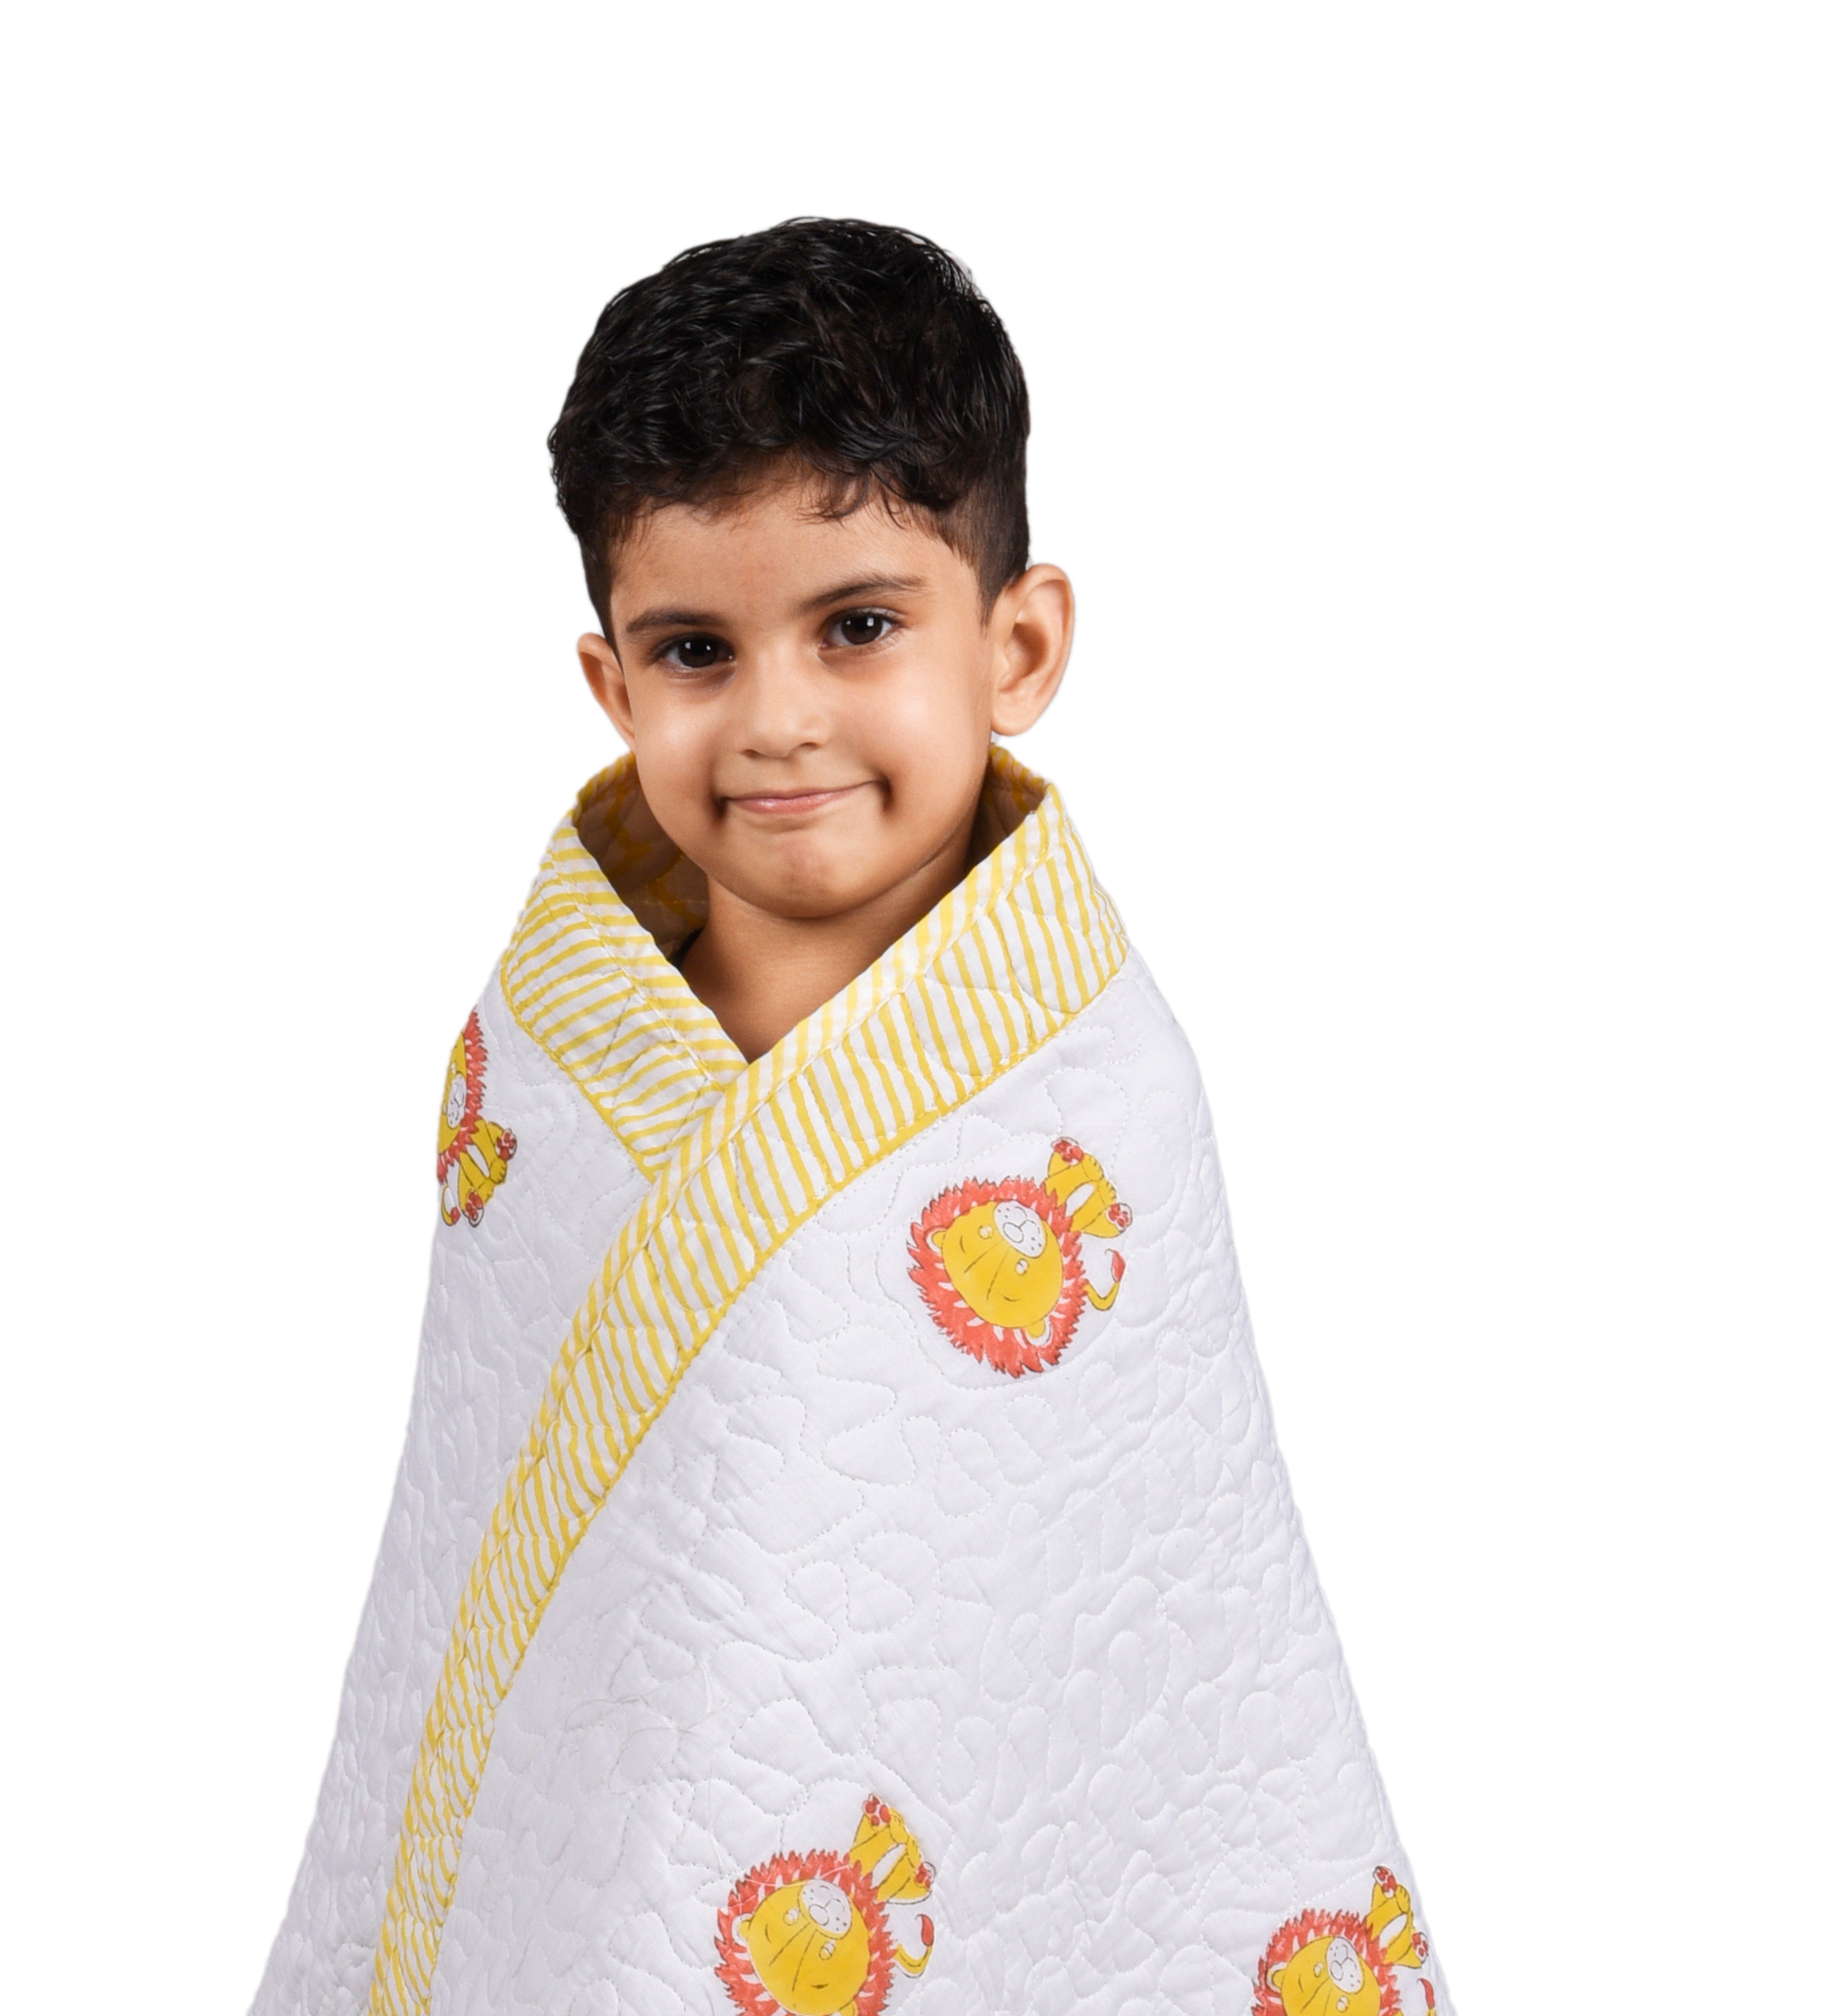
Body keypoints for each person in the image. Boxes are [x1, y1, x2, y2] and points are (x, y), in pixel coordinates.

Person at [254, 219, 1452, 2016]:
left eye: (861, 626)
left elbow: (1171, 1601)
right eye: (695, 650)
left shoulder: (1099, 1105)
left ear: (1018, 645)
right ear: (612, 686)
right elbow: (470, 1571)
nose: (778, 720)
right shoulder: (543, 1058)